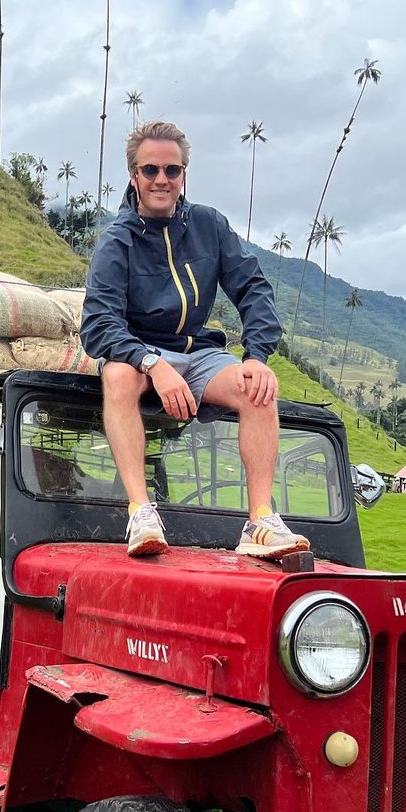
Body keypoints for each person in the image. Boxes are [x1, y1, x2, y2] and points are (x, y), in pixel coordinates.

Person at [80, 119, 310, 560]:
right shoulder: (117, 241)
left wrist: (257, 356)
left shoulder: (209, 226)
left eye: (172, 170)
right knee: (118, 378)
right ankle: (141, 510)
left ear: (184, 174)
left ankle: (259, 519)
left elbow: (253, 287)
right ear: (134, 176)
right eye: (150, 170)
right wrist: (152, 363)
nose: (162, 180)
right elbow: (99, 323)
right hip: (137, 353)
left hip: (199, 350)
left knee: (257, 390)